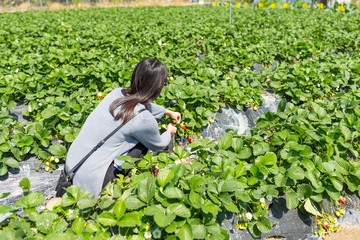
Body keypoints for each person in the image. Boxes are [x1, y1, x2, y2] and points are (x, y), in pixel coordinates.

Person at [65, 58, 180, 197]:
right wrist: (169, 131)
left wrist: (167, 112)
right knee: (142, 145)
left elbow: (139, 103)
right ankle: (117, 188)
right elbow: (158, 144)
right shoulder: (143, 119)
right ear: (157, 87)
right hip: (91, 181)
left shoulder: (117, 93)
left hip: (73, 163)